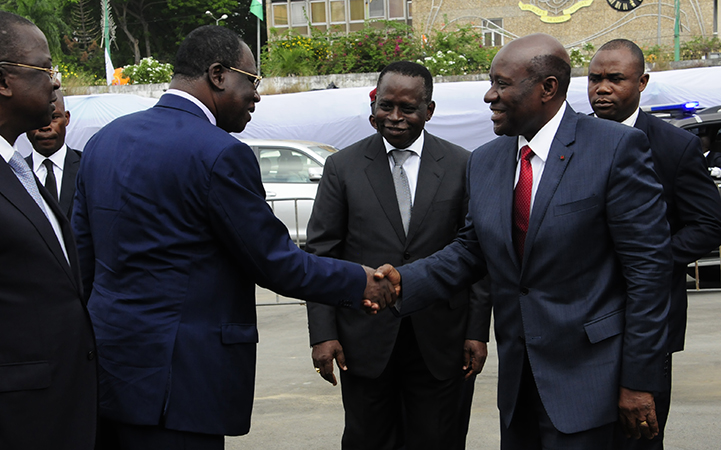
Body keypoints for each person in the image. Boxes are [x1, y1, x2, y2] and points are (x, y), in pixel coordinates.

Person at [72, 25, 395, 450]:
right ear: (219, 74)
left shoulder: (103, 140)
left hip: (109, 372)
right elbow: (273, 261)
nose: (257, 96)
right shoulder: (220, 152)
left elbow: (83, 255)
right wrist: (360, 281)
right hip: (181, 384)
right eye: (253, 81)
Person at [376, 33, 673, 449]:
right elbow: (470, 250)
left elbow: (649, 275)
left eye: (501, 83)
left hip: (596, 384)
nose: (488, 96)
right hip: (520, 385)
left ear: (547, 88)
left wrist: (639, 382)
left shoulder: (615, 148)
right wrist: (402, 282)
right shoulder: (485, 161)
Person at [306, 61, 491, 450]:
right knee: (367, 440)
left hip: (442, 342)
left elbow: (476, 254)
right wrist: (323, 334)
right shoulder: (342, 167)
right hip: (365, 341)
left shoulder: (463, 165)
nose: (395, 118)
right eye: (385, 106)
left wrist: (477, 331)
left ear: (429, 110)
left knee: (439, 439)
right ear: (373, 107)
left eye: (407, 108)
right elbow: (322, 254)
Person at [588, 38, 721, 450]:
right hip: (582, 317)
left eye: (615, 79)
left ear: (642, 82)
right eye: (594, 79)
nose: (602, 88)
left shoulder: (673, 145)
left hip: (647, 317)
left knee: (638, 436)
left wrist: (651, 260)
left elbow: (709, 224)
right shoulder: (572, 141)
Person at [0, 10, 96, 450]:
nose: (56, 82)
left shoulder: (13, 165)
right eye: (45, 68)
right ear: (2, 81)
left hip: (57, 413)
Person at [26, 90, 82, 218]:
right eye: (36, 118)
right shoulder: (13, 173)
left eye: (54, 117)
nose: (45, 126)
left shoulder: (89, 169)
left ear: (66, 118)